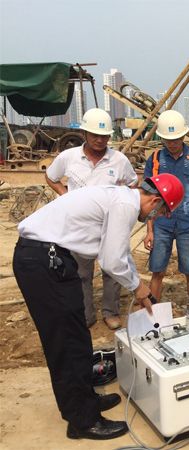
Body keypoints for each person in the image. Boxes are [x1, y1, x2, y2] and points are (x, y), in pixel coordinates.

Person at [12, 174, 185, 440]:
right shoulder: (125, 205)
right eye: (161, 212)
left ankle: (86, 401)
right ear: (154, 201)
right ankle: (82, 422)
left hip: (52, 259)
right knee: (66, 343)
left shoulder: (120, 198)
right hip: (43, 261)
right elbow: (112, 261)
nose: (157, 217)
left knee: (78, 336)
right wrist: (138, 288)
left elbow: (121, 252)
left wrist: (141, 291)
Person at [45, 108, 138, 330]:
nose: (100, 140)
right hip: (79, 226)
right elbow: (51, 177)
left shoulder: (119, 160)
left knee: (113, 270)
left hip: (110, 225)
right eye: (95, 135)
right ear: (85, 133)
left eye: (104, 136)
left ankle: (111, 312)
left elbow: (133, 183)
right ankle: (86, 314)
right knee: (81, 273)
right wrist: (65, 194)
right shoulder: (69, 157)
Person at [143, 110, 189, 302]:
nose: (172, 144)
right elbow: (149, 197)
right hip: (161, 225)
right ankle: (152, 314)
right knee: (157, 271)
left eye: (176, 139)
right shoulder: (155, 160)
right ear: (162, 138)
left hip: (188, 225)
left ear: (183, 136)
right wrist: (150, 230)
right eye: (168, 140)